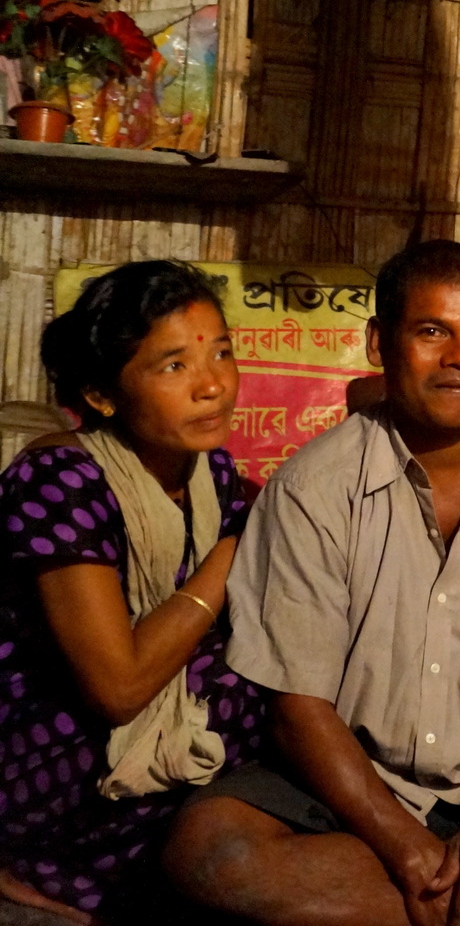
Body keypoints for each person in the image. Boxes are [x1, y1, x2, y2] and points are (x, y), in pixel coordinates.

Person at [163, 241, 460, 926]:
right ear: (379, 343)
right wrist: (406, 848)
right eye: (431, 332)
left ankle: (432, 893)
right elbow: (300, 708)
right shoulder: (311, 490)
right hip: (352, 796)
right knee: (212, 853)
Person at [0, 261, 263, 922]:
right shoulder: (62, 481)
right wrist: (232, 555)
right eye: (173, 366)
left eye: (221, 352)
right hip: (67, 786)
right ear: (102, 394)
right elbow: (116, 685)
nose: (212, 385)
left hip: (179, 778)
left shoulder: (215, 475)